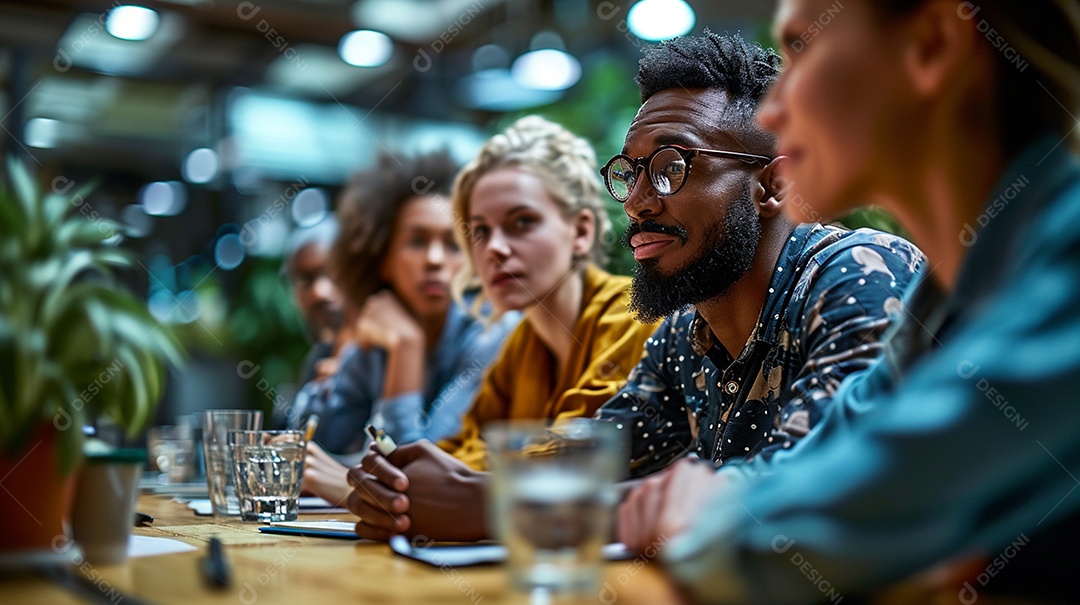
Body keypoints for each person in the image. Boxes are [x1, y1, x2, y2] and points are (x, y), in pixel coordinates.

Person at [619, 1, 1080, 603]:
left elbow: (809, 539)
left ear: (932, 46)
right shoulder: (949, 297)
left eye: (800, 50)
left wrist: (704, 521)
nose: (773, 110)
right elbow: (829, 459)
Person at [594, 32, 922, 479]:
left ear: (772, 185)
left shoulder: (859, 273)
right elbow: (589, 466)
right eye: (630, 173)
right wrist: (486, 490)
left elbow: (824, 481)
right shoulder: (684, 337)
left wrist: (659, 504)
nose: (636, 201)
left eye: (671, 166)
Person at [345, 116, 663, 541]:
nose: (494, 248)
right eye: (479, 231)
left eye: (522, 222)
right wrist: (400, 487)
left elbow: (576, 465)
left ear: (581, 231)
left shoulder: (631, 317)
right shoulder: (520, 348)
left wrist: (438, 488)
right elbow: (453, 459)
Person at [296, 151, 518, 504]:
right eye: (417, 241)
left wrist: (406, 348)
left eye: (452, 245)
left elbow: (419, 478)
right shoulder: (372, 340)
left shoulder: (494, 333)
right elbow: (319, 445)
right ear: (382, 259)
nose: (434, 260)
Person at [281, 218, 345, 387]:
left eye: (331, 274)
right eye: (305, 280)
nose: (319, 292)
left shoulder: (384, 357)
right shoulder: (316, 360)